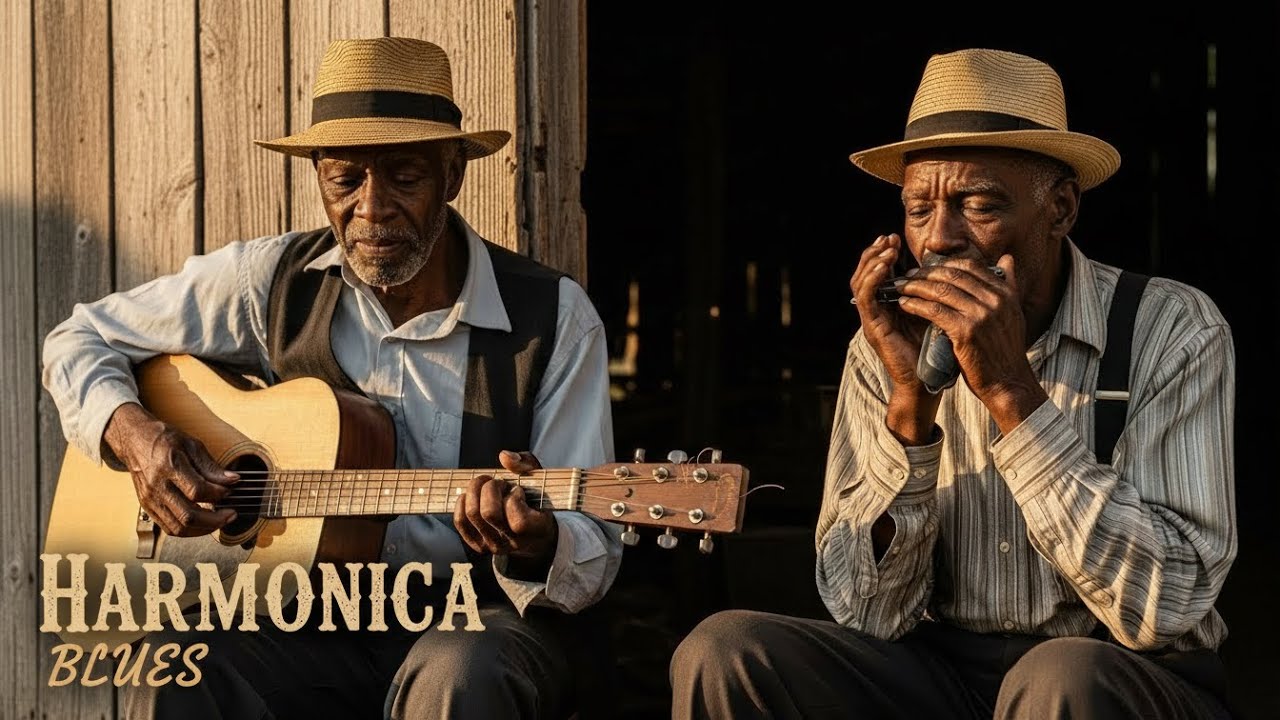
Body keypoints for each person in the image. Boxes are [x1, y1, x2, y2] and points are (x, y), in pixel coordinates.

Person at [42, 37, 620, 719]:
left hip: (480, 620)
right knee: (190, 667)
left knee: (459, 671)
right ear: (318, 173)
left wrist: (536, 543)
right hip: (314, 618)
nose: (372, 210)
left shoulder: (552, 316)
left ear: (453, 173)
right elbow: (79, 337)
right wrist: (137, 437)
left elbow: (593, 549)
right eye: (346, 179)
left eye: (405, 176)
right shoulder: (268, 282)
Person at [671, 48, 1236, 719]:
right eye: (918, 209)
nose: (939, 239)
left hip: (1120, 675)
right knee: (724, 649)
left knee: (1061, 675)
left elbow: (1163, 607)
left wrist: (1013, 396)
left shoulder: (1170, 327)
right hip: (941, 673)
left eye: (977, 204)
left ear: (1059, 210)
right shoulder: (882, 349)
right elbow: (868, 613)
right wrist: (910, 409)